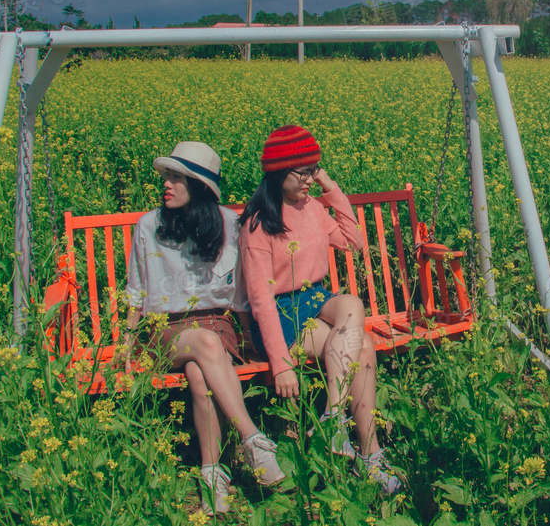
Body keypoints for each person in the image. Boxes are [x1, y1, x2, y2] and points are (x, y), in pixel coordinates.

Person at [238, 125, 400, 494]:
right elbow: (260, 300)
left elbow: (353, 240)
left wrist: (332, 188)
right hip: (282, 318)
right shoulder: (258, 223)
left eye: (315, 169)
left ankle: (336, 425)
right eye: (304, 172)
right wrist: (280, 364)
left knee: (352, 303)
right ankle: (368, 456)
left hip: (314, 300)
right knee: (363, 348)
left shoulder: (310, 206)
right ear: (278, 173)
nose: (311, 179)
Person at [124, 141, 285, 514]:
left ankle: (213, 475)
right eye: (166, 177)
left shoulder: (229, 224)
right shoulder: (149, 225)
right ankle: (253, 440)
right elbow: (136, 290)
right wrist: (128, 346)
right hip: (168, 332)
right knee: (204, 344)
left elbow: (240, 292)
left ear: (198, 187)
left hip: (216, 327)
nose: (166, 185)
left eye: (176, 179)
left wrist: (247, 339)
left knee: (200, 375)